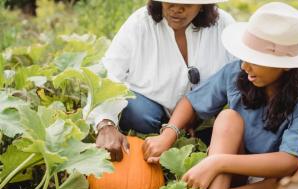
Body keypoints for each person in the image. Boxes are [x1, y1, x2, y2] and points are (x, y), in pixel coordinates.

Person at [142, 2, 298, 189]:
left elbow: (289, 161)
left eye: (256, 60)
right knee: (228, 117)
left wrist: (217, 162)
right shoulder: (238, 72)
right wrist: (168, 134)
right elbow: (191, 101)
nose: (245, 66)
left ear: (285, 66)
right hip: (237, 167)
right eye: (245, 57)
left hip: (277, 179)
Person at [88, 0, 235, 161]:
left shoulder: (224, 26)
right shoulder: (139, 24)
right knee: (134, 110)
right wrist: (105, 123)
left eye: (188, 4)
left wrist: (199, 111)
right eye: (170, 2)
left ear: (203, 5)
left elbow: (239, 76)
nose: (177, 9)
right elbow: (109, 73)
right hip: (150, 116)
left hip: (203, 120)